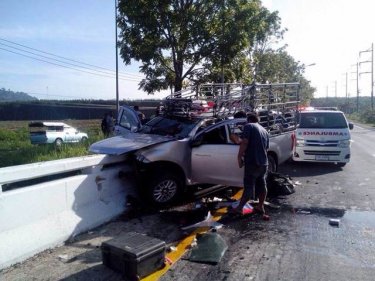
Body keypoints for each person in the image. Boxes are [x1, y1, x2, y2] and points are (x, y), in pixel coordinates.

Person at [231, 112, 270, 218]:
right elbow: (266, 148)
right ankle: (260, 206)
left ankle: (239, 208)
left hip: (252, 162)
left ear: (248, 120)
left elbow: (244, 142)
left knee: (249, 186)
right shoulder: (264, 130)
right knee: (262, 185)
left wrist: (239, 157)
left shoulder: (249, 126)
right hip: (263, 163)